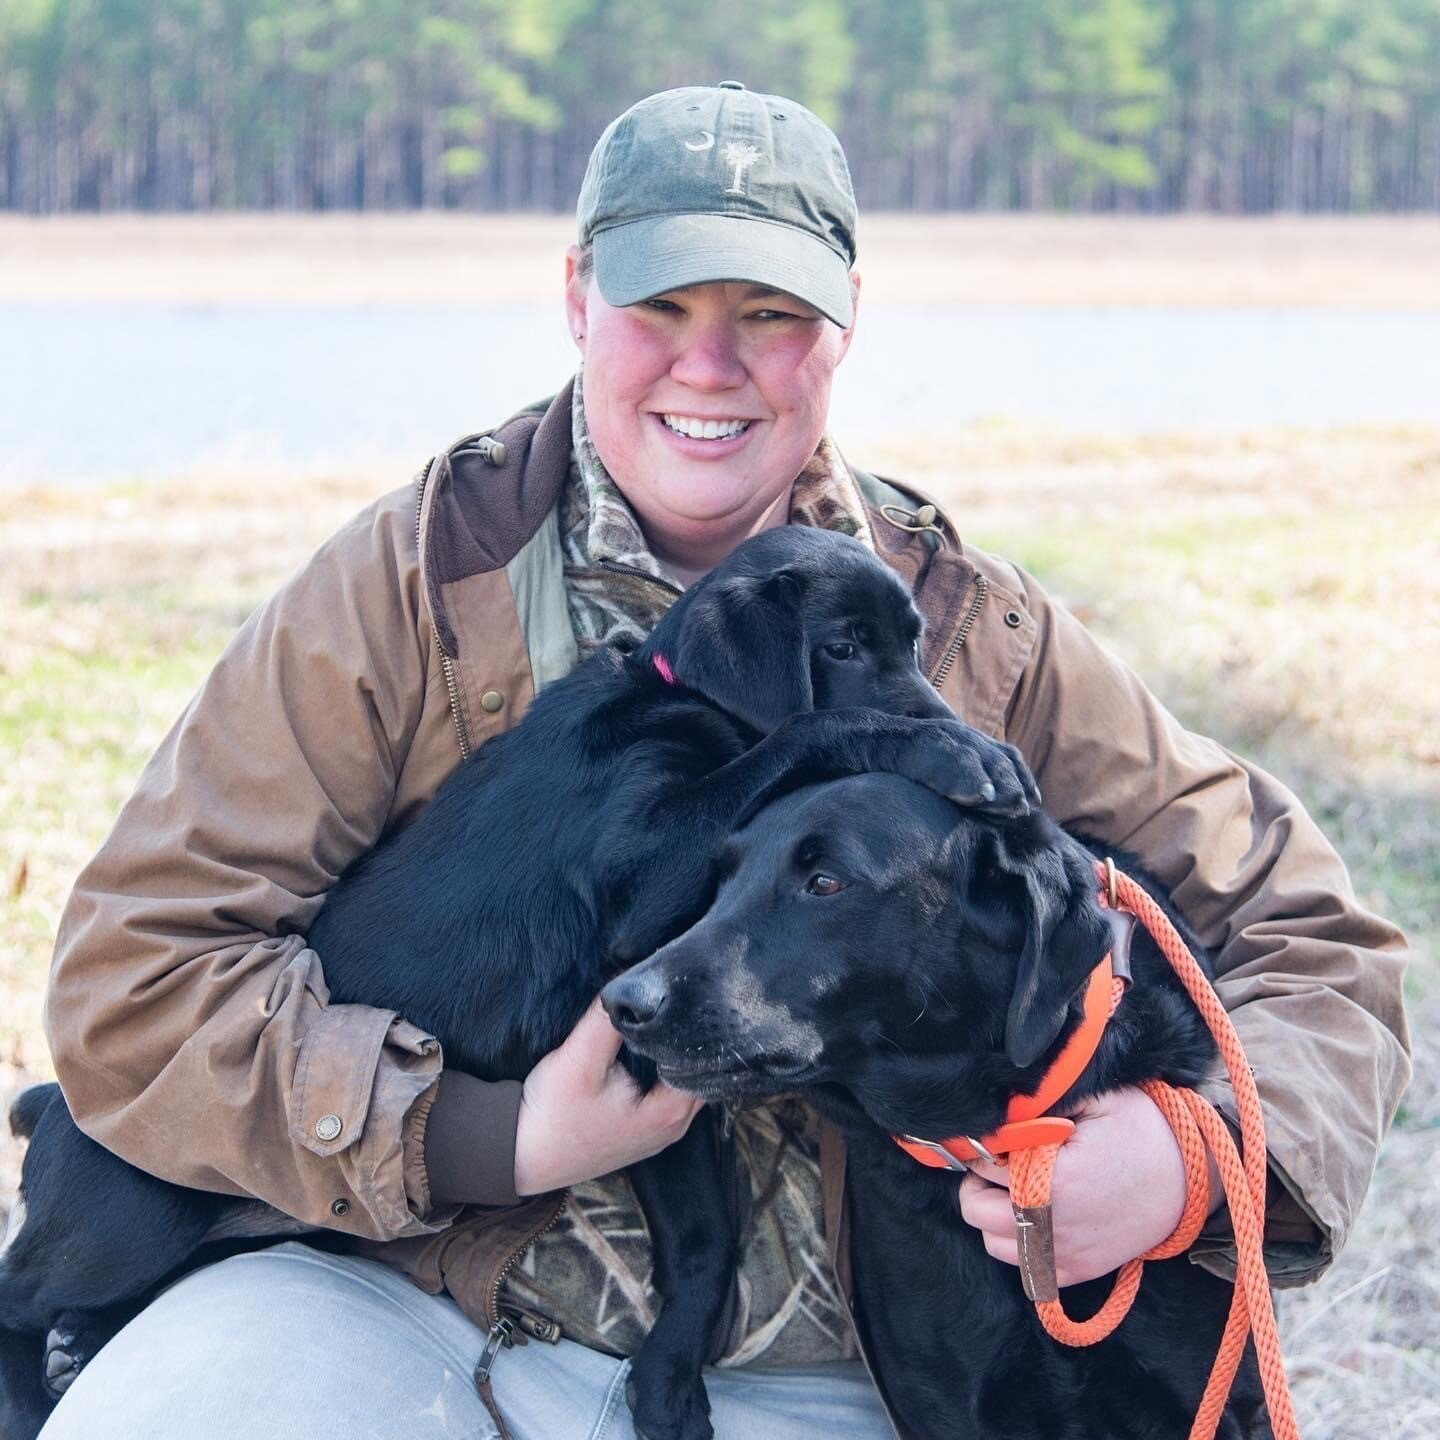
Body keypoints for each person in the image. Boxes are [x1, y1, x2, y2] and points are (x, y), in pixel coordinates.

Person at [39, 83, 1409, 1439]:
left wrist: (1185, 1164)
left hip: (835, 1384)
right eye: (661, 309)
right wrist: (485, 1137)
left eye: (770, 315)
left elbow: (1316, 938)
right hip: (388, 1306)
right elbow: (134, 982)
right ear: (577, 298)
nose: (711, 366)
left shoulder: (968, 633)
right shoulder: (413, 590)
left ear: (846, 326)